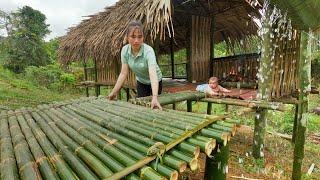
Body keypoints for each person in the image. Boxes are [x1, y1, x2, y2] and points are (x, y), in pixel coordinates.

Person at [108, 20, 163, 110]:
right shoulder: (125, 51)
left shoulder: (148, 51)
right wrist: (114, 92)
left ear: (143, 38)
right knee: (142, 105)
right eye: (133, 37)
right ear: (127, 37)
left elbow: (153, 74)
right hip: (141, 81)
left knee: (155, 105)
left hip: (156, 80)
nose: (136, 40)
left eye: (139, 37)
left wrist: (155, 97)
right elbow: (123, 73)